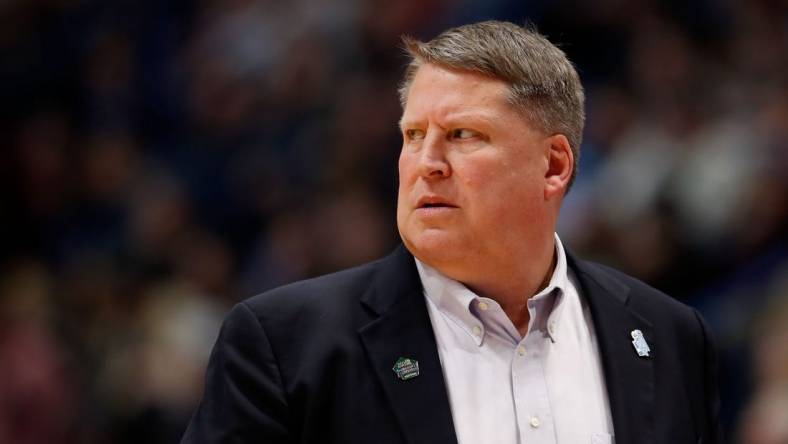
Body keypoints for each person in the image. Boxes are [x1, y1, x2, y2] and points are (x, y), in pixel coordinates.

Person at [181, 20, 721, 444]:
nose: (426, 162)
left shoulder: (670, 336)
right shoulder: (285, 344)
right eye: (413, 135)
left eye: (462, 135)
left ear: (554, 166)